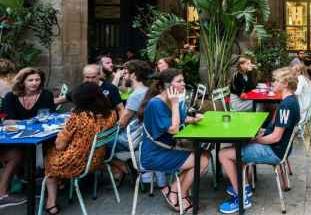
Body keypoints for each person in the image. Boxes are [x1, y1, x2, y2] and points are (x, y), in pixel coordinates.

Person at [217, 67, 300, 213]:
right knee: (238, 149)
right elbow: (275, 131)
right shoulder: (292, 101)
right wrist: (263, 132)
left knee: (223, 154)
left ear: (285, 83)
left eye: (275, 81)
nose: (272, 84)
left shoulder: (286, 106)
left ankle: (241, 198)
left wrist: (254, 140)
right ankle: (244, 186)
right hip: (280, 148)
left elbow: (276, 137)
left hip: (274, 151)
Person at [138, 68, 209, 213]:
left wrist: (193, 120)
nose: (183, 84)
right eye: (179, 81)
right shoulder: (156, 104)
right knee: (202, 160)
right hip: (154, 154)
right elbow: (174, 129)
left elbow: (180, 119)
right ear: (167, 85)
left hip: (166, 149)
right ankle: (179, 195)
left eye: (183, 80)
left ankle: (173, 190)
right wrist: (176, 104)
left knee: (205, 155)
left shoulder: (169, 101)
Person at [41, 82, 117, 215]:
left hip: (75, 163)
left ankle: (51, 202)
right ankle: (61, 183)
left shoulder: (78, 117)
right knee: (53, 150)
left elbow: (60, 145)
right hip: (95, 160)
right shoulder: (111, 114)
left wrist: (62, 133)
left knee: (49, 153)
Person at [0, 67, 56, 208]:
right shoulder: (11, 97)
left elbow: (50, 117)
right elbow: (7, 121)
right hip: (13, 137)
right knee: (17, 154)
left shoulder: (46, 95)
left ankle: (39, 183)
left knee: (49, 148)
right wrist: (32, 122)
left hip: (39, 136)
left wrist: (26, 122)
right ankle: (6, 193)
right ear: (22, 82)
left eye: (37, 80)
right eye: (30, 80)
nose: (34, 83)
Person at [110, 60, 153, 184]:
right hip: (140, 136)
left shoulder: (135, 95)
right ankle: (126, 165)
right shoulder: (147, 90)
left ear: (134, 75)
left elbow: (122, 123)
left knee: (97, 144)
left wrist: (106, 131)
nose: (124, 76)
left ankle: (121, 167)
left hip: (130, 138)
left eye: (126, 73)